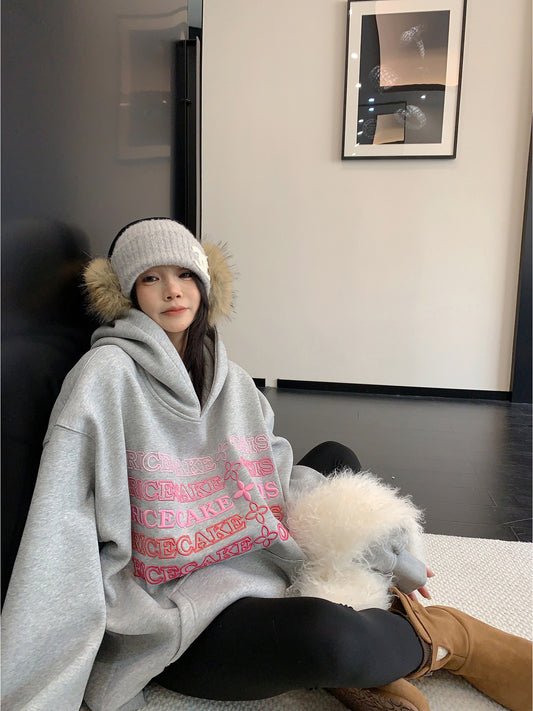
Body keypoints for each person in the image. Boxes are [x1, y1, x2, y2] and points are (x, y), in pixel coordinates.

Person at [2, 218, 531, 711]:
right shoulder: (103, 378)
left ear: (206, 284)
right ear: (127, 294)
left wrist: (376, 543)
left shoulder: (225, 373)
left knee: (336, 462)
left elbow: (272, 478)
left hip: (258, 561)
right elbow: (59, 532)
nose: (172, 291)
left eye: (185, 274)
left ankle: (365, 640)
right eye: (151, 278)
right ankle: (447, 637)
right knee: (326, 637)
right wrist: (41, 686)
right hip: (182, 621)